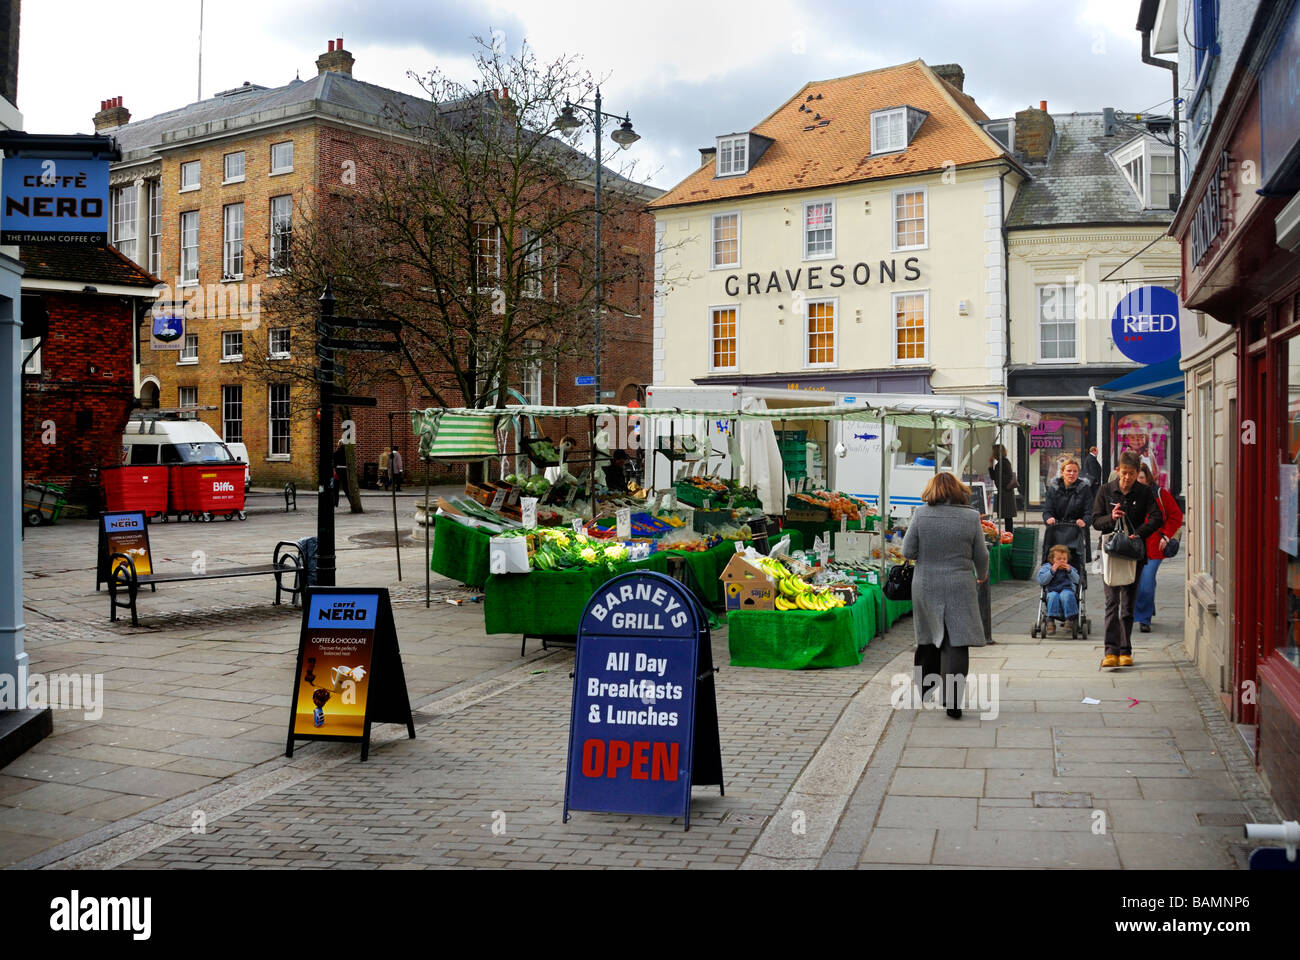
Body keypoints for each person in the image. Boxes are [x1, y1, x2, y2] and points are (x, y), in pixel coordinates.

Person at [902, 471, 990, 720]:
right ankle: (953, 700)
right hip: (960, 583)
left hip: (926, 583)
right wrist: (981, 574)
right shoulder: (971, 517)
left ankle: (926, 689)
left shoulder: (921, 514)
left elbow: (907, 550)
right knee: (957, 641)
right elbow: (981, 554)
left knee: (928, 635)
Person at [1092, 451, 1163, 668]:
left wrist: (1139, 532)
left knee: (1128, 604)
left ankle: (1125, 650)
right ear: (1117, 470)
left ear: (1138, 473)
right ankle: (1110, 651)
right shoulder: (1106, 490)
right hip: (1111, 554)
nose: (1127, 478)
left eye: (1131, 474)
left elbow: (1157, 517)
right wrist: (1110, 518)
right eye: (1124, 473)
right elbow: (1095, 520)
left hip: (1133, 553)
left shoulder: (1144, 492)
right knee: (1112, 602)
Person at [1134, 462, 1184, 633]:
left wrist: (1166, 534)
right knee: (1141, 581)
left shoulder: (1160, 494)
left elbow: (1176, 516)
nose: (1138, 481)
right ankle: (1148, 608)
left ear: (1147, 478)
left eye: (1141, 477)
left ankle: (1143, 619)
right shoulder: (1129, 494)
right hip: (1134, 546)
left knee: (1146, 581)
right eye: (1135, 478)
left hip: (1155, 546)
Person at [1036, 544, 1080, 635]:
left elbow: (1077, 580)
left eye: (1064, 559)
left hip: (1066, 589)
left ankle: (1069, 619)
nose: (1062, 561)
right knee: (1053, 596)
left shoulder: (1069, 568)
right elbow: (1041, 580)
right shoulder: (1047, 567)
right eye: (1059, 559)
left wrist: (1070, 571)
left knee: (1067, 595)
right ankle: (1051, 620)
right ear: (1052, 560)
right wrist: (1052, 570)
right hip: (1052, 589)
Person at [989, 444, 1017, 532]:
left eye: (993, 452)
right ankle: (1009, 534)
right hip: (1004, 493)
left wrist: (1001, 482)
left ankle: (1009, 536)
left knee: (1008, 518)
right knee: (1007, 518)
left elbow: (1007, 477)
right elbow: (994, 477)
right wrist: (990, 466)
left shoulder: (1004, 462)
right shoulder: (1001, 463)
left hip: (1006, 494)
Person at [332, 442, 348, 508]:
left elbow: (334, 464)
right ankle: (351, 501)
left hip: (338, 471)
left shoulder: (336, 453)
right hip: (346, 471)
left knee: (336, 489)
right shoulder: (347, 454)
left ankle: (335, 503)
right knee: (346, 488)